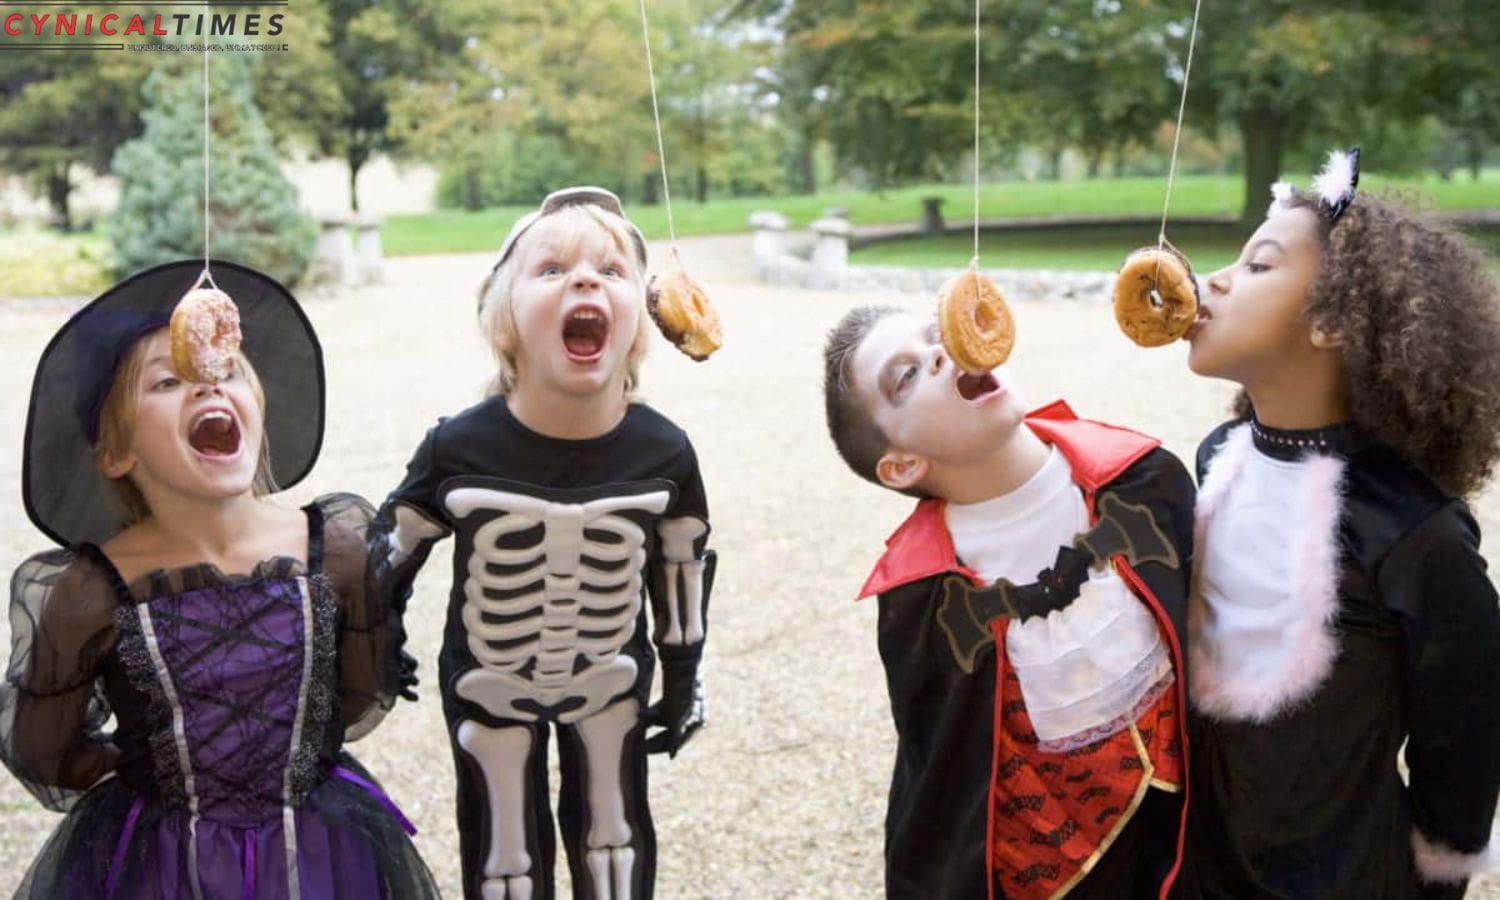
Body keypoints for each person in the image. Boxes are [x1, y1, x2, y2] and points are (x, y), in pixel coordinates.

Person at [0, 259, 437, 898]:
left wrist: (296, 756)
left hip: (319, 854)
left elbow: (357, 690)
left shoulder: (334, 550)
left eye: (228, 371)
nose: (209, 387)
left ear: (258, 408)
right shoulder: (92, 591)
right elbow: (46, 751)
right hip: (162, 867)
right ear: (117, 452)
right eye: (169, 381)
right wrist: (152, 769)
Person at [368, 187, 716, 900]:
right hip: (489, 687)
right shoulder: (458, 447)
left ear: (640, 330)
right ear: (504, 325)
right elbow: (388, 554)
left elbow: (681, 561)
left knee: (613, 843)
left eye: (612, 271)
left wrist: (682, 679)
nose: (585, 279)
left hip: (610, 680)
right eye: (551, 269)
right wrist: (372, 644)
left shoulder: (665, 453)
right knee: (503, 860)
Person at [1181, 148, 1500, 899]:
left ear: (1333, 320)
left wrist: (1437, 875)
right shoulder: (1215, 461)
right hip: (1202, 868)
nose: (1216, 278)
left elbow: (1464, 736)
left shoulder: (1413, 532)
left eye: (1258, 265)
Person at [822, 303, 1195, 899]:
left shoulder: (1144, 481)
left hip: (1181, 857)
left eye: (934, 337)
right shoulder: (923, 601)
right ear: (902, 465)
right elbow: (939, 778)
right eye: (907, 375)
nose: (941, 352)